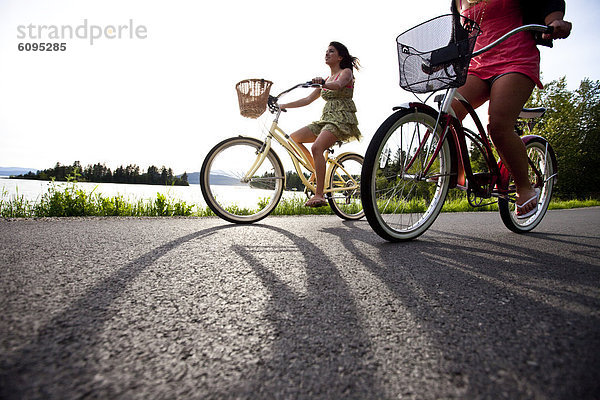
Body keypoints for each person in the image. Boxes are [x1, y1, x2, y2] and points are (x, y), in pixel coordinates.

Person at [450, 0, 572, 218]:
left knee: (497, 126)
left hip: (515, 59)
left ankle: (524, 186)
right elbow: (459, 35)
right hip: (478, 64)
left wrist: (554, 20)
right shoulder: (458, 1)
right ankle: (457, 173)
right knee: (448, 112)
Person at [280, 41, 362, 207]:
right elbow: (307, 99)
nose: (327, 54)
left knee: (317, 147)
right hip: (325, 119)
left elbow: (338, 85)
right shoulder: (326, 79)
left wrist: (323, 84)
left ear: (340, 57)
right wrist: (282, 105)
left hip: (341, 119)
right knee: (294, 139)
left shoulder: (346, 72)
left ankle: (319, 194)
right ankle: (317, 172)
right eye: (326, 51)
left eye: (331, 51)